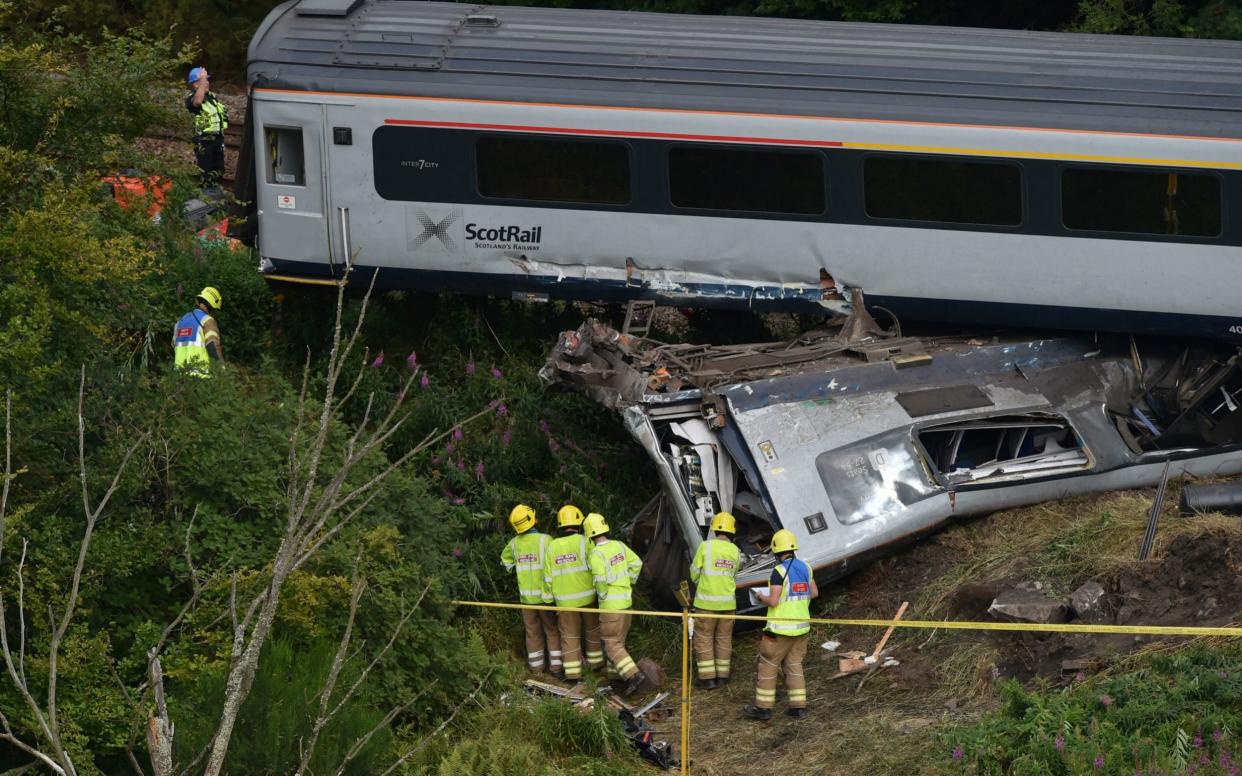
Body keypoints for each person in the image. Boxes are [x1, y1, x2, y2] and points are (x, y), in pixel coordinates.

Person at [743, 529, 818, 721]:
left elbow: (774, 601)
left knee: (768, 666)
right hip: (801, 628)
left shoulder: (778, 572)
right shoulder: (806, 567)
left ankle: (763, 708)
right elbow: (814, 593)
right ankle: (798, 707)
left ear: (776, 550)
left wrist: (761, 596)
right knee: (794, 665)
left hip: (780, 630)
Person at [585, 512, 647, 695]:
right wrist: (629, 582)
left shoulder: (596, 553)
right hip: (626, 603)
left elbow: (600, 580)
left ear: (589, 533)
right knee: (619, 643)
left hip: (611, 607)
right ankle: (617, 681)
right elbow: (637, 564)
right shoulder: (619, 546)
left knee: (610, 645)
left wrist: (602, 596)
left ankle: (633, 675)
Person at [541, 505, 604, 680]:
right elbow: (596, 567)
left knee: (569, 638)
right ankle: (597, 666)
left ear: (560, 524)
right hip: (589, 598)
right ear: (579, 522)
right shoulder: (586, 541)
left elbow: (547, 577)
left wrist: (548, 601)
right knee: (593, 632)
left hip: (565, 604)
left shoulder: (552, 547)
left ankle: (573, 674)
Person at [501, 504, 563, 678]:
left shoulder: (514, 544)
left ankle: (536, 670)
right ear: (532, 520)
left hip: (526, 600)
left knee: (532, 633)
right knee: (552, 631)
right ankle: (556, 669)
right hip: (545, 598)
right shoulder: (546, 540)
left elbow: (506, 563)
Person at [689, 511, 739, 689]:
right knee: (724, 638)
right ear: (732, 531)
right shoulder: (735, 550)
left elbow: (694, 572)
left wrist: (702, 582)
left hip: (705, 604)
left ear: (714, 528)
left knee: (704, 638)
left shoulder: (706, 546)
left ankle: (708, 679)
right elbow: (734, 574)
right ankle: (723, 676)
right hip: (728, 605)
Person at [185, 66, 229, 188]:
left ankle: (217, 197)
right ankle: (206, 198)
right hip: (204, 141)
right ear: (195, 85)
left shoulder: (212, 98)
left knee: (218, 171)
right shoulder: (191, 98)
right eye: (203, 80)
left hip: (217, 140)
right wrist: (203, 78)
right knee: (206, 171)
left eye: (208, 80)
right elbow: (197, 102)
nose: (207, 82)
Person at [173, 287, 224, 377]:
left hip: (179, 376)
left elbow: (174, 344)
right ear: (211, 305)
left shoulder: (181, 321)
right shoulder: (208, 321)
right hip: (201, 377)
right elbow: (213, 346)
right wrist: (222, 370)